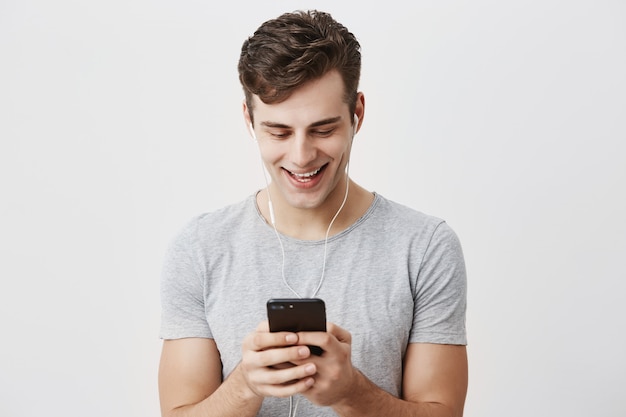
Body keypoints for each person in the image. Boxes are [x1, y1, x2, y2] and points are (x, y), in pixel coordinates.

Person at [158, 9, 468, 417]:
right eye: (278, 131)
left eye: (323, 129)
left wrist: (350, 392)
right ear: (248, 119)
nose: (302, 156)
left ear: (357, 113)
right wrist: (246, 385)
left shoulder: (425, 247)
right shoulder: (199, 248)